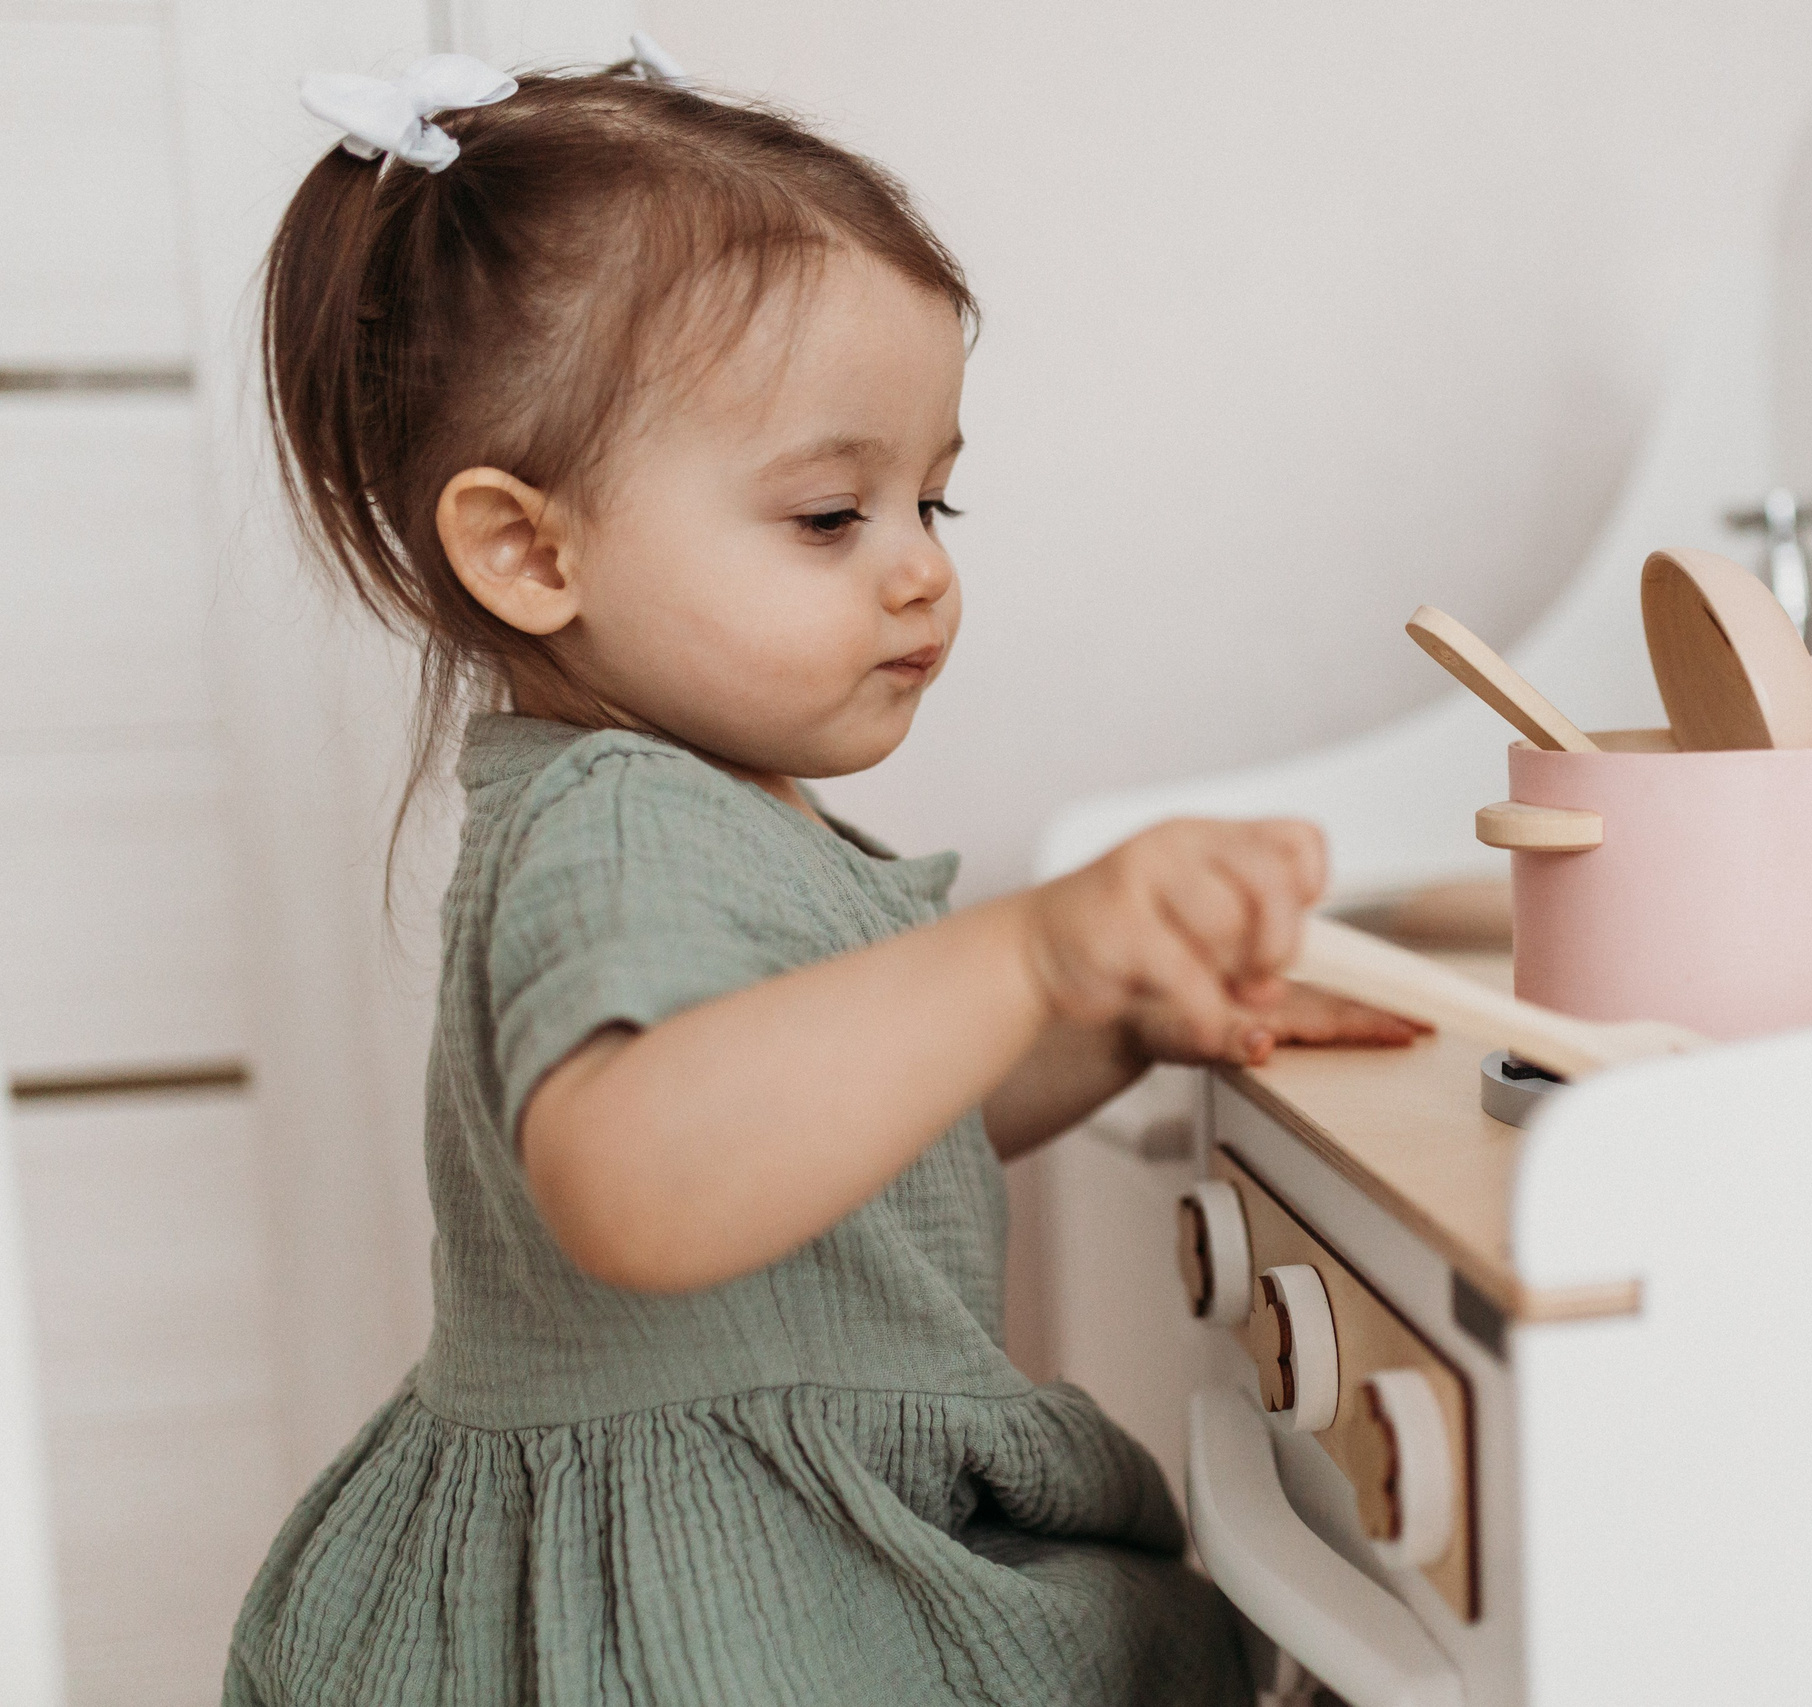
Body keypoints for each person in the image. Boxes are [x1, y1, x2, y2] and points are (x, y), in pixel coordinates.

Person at [226, 44, 1423, 1705]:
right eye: (827, 517)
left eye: (933, 501)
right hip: (701, 1613)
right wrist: (1029, 954)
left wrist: (1120, 1020)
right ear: (529, 550)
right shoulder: (618, 818)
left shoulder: (725, 812)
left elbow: (857, 1141)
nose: (921, 571)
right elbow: (644, 1180)